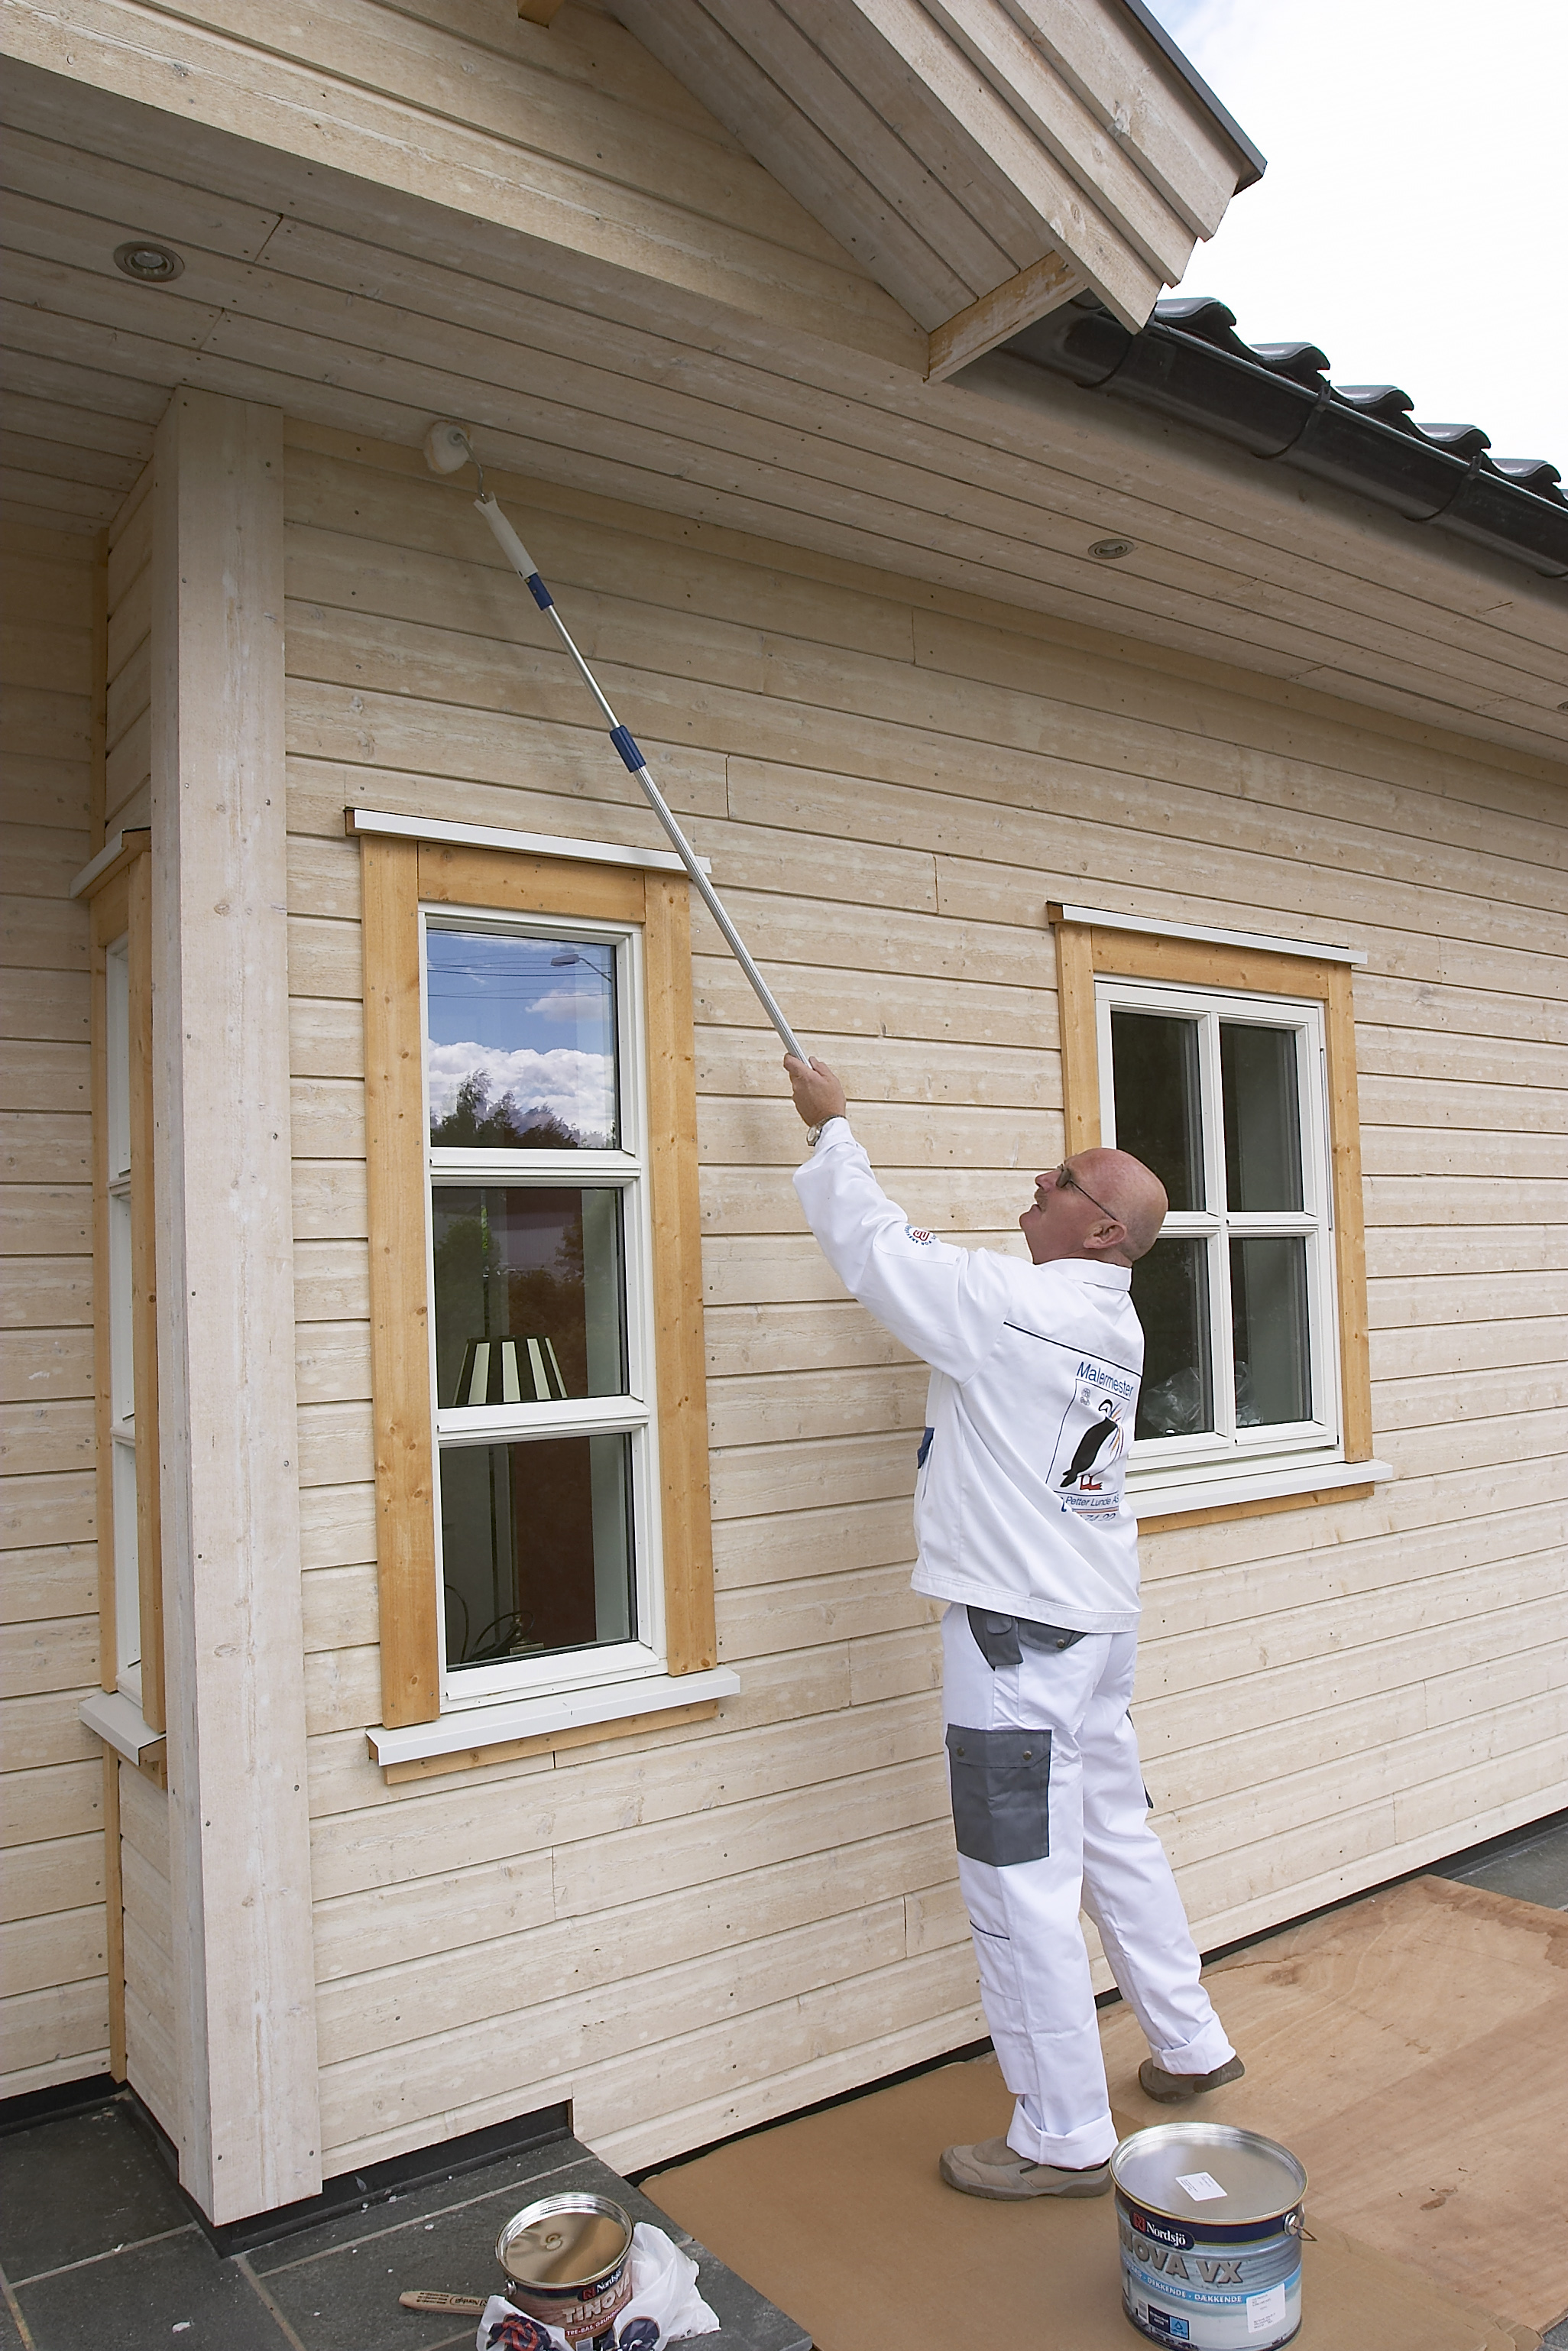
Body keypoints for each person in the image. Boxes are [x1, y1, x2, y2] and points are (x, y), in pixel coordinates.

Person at [785, 1052, 1241, 2200]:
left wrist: (832, 1128)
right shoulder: (1109, 1323)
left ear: (1103, 1234)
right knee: (1116, 1836)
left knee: (1018, 1880)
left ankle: (1063, 2137)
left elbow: (880, 1253)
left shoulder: (1016, 1312)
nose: (1033, 1185)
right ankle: (1188, 2043)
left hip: (1015, 1645)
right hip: (1091, 1632)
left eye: (1061, 1182)